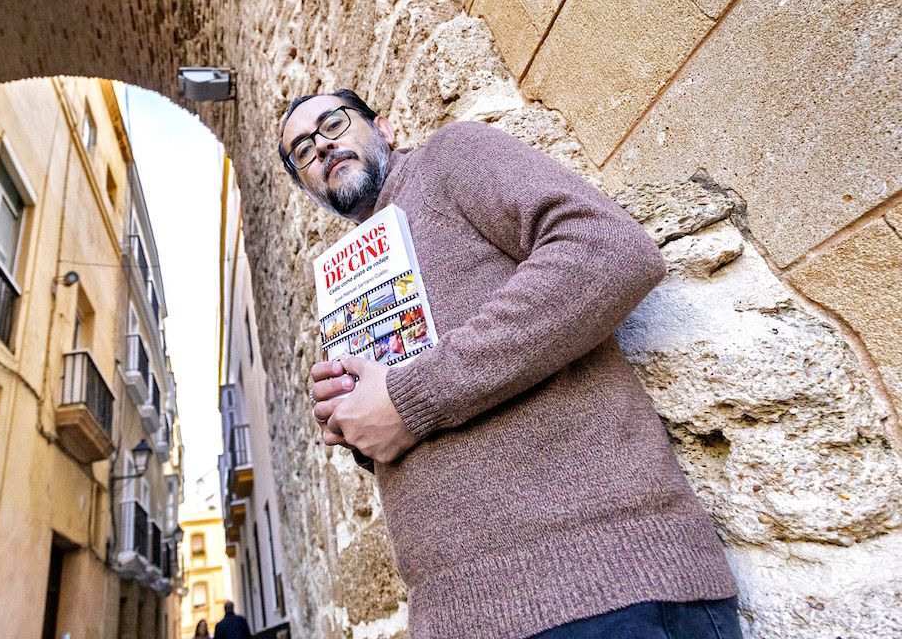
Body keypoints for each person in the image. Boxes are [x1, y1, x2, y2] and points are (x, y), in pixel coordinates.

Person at [277, 90, 742, 639]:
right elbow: (415, 417)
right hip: (458, 619)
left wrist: (410, 397)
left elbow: (609, 250)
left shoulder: (450, 158)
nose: (323, 146)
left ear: (387, 128)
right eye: (303, 151)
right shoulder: (348, 283)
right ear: (308, 187)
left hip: (606, 588)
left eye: (333, 123)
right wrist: (357, 420)